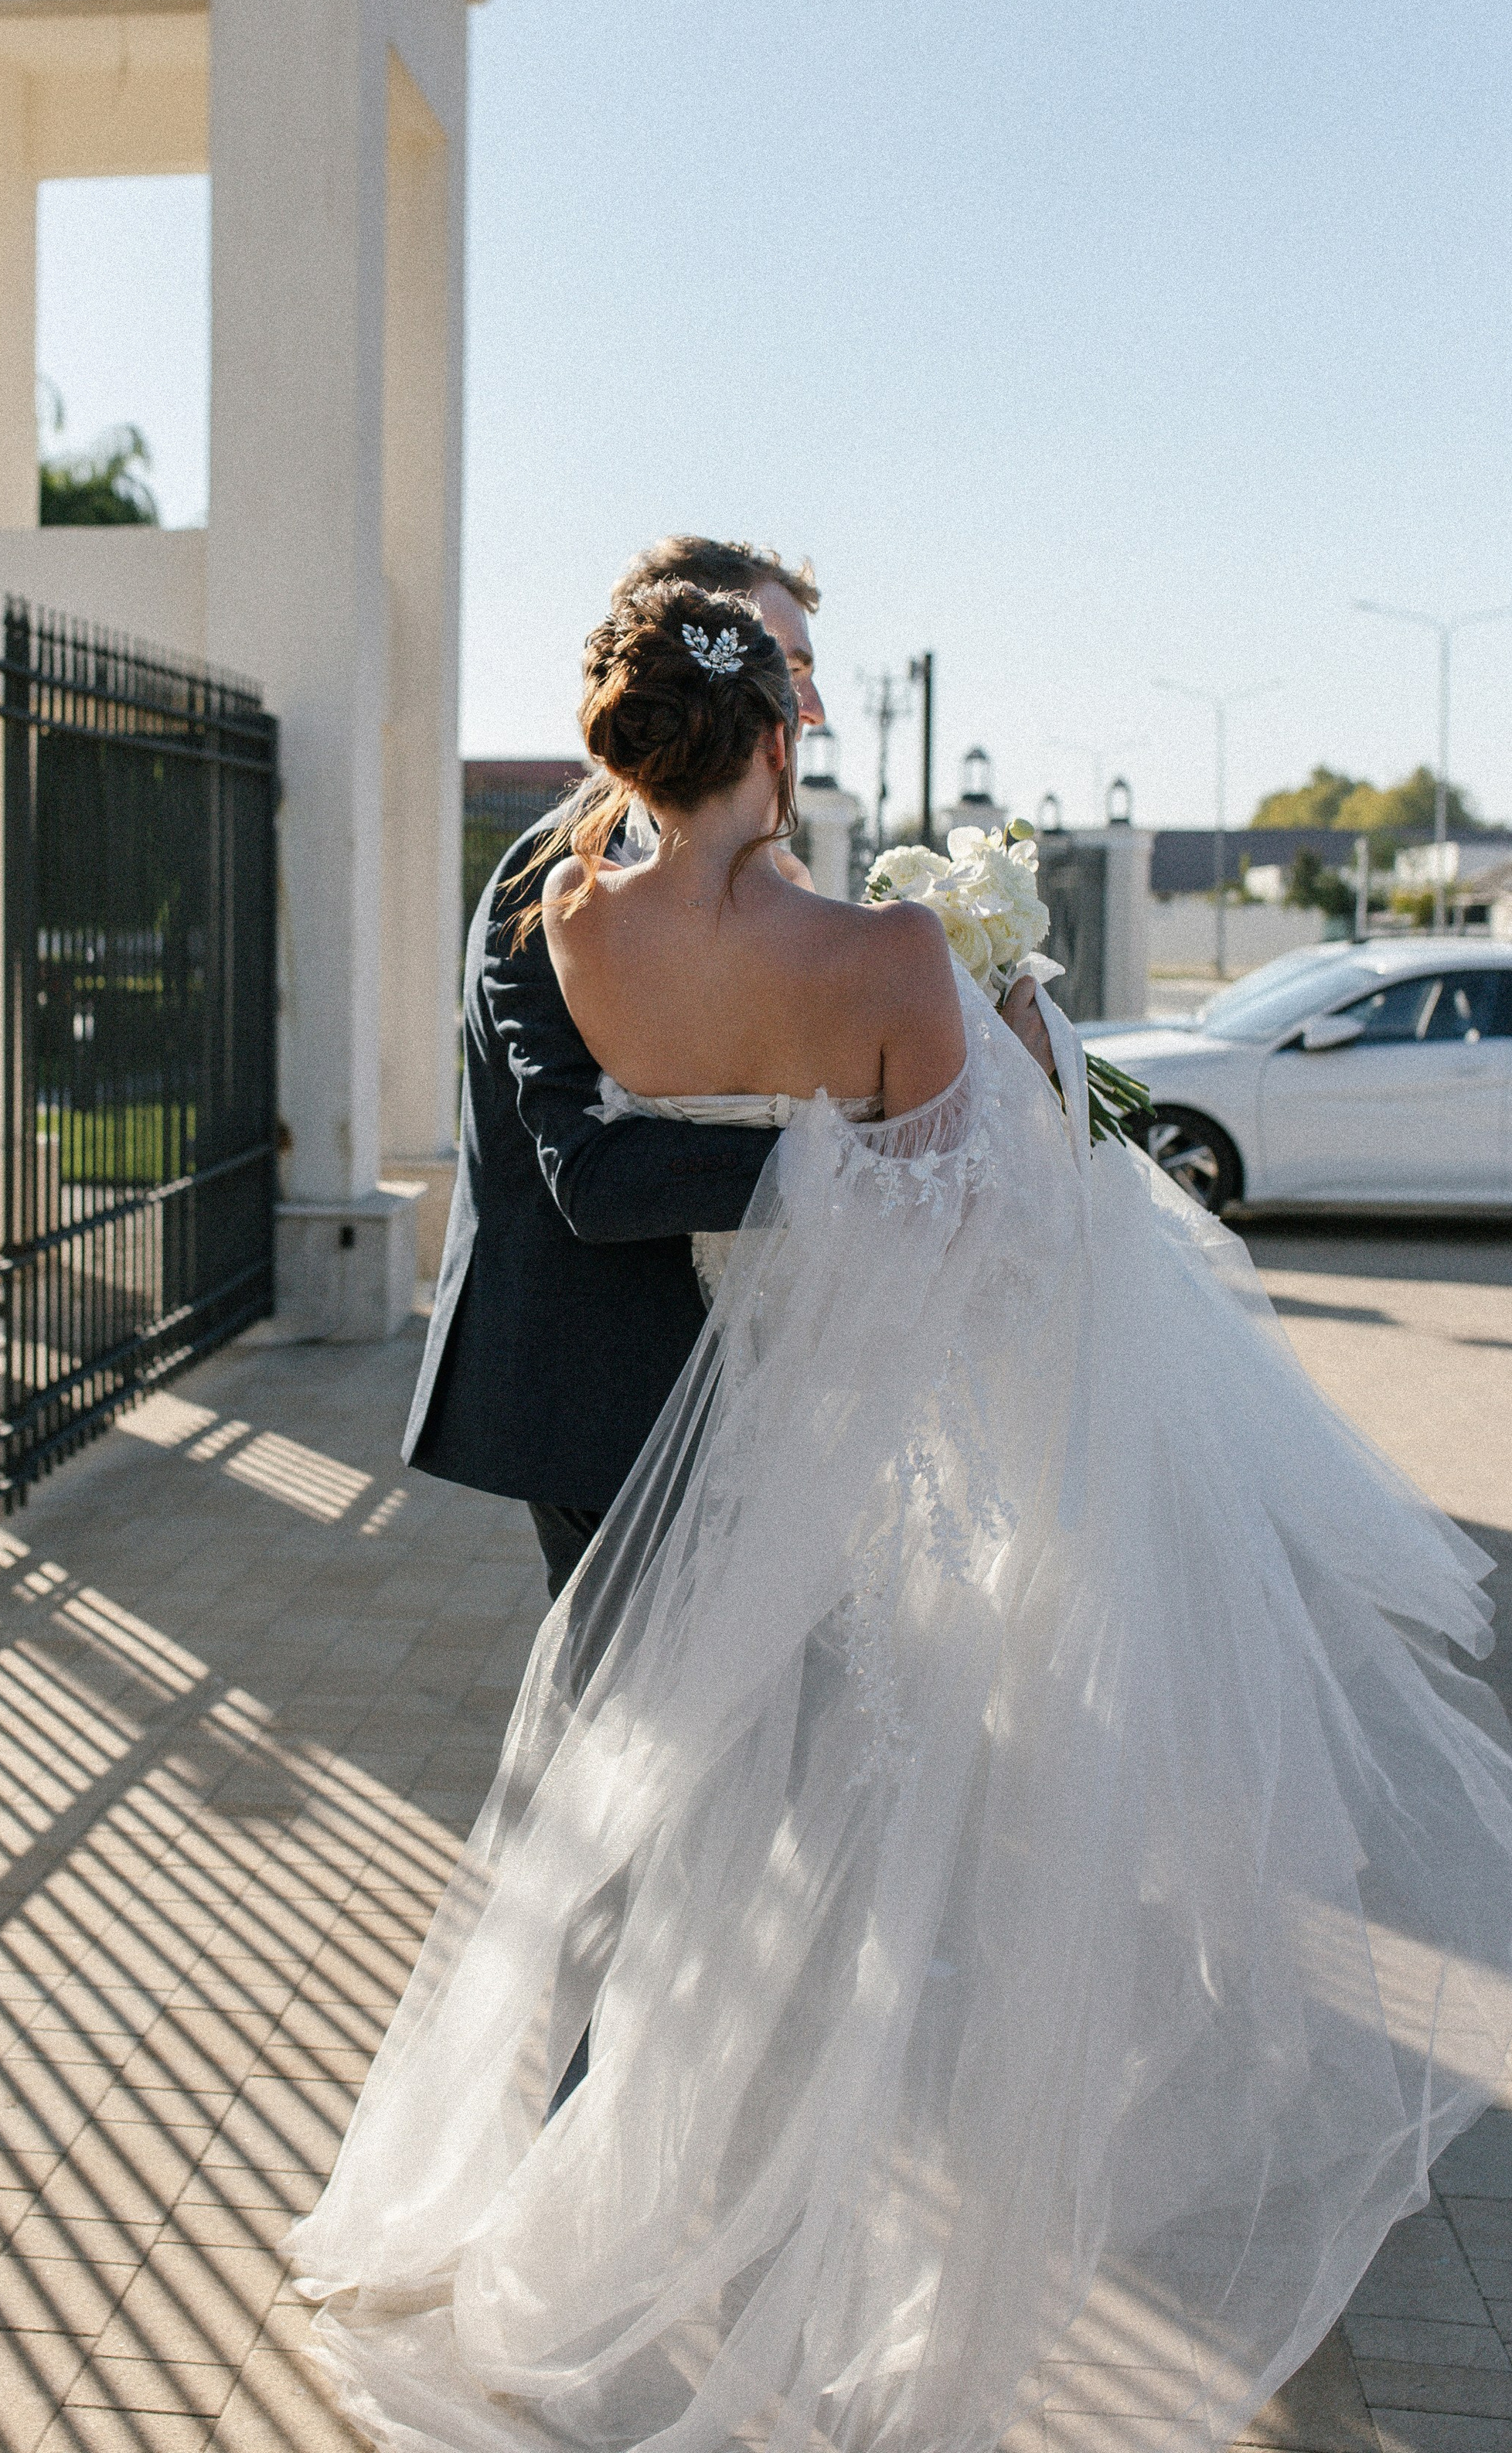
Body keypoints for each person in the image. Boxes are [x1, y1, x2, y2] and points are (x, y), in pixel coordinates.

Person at [291, 580, 1512, 2453]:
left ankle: (626, 2199)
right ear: (773, 736)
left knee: (684, 1822)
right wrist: (1011, 1042)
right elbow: (978, 1231)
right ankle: (750, 2223)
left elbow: (674, 1146)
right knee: (857, 1858)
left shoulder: (573, 920)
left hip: (712, 1427)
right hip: (827, 1440)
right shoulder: (876, 954)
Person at [407, 532, 1045, 1602]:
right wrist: (882, 1141)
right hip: (601, 1394)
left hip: (761, 1391)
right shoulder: (554, 888)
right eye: (788, 667)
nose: (812, 705)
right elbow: (594, 1174)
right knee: (632, 1694)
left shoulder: (759, 882)